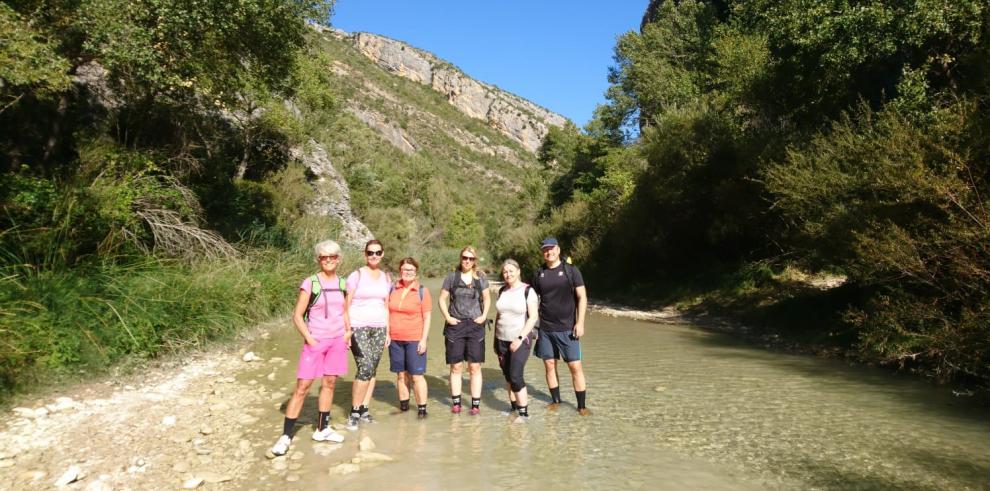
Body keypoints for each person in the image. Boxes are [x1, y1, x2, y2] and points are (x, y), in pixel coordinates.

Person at [270, 240, 348, 457]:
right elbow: (297, 315)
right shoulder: (310, 283)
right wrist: (310, 339)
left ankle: (322, 429)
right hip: (316, 342)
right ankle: (286, 436)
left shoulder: (343, 284)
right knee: (303, 387)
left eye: (333, 256)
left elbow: (345, 311)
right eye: (324, 257)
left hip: (337, 341)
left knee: (329, 383)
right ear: (318, 259)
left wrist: (347, 332)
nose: (329, 260)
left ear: (339, 259)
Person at [532, 237, 590, 416]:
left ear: (558, 249)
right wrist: (533, 326)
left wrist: (580, 322)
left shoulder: (571, 270)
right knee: (549, 365)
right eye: (544, 250)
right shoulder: (538, 273)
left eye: (550, 249)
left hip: (568, 328)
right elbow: (532, 300)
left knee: (575, 366)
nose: (548, 252)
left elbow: (582, 297)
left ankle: (581, 406)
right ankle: (555, 401)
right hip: (546, 329)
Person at [438, 246, 491, 415]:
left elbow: (487, 298)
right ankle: (456, 403)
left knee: (474, 367)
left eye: (471, 258)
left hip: (476, 325)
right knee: (456, 367)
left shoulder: (480, 278)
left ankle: (475, 405)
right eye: (464, 258)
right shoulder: (452, 277)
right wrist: (447, 317)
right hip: (455, 326)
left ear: (475, 260)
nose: (467, 261)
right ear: (460, 258)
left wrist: (483, 316)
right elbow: (441, 299)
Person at [344, 239, 391, 430]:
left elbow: (386, 305)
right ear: (365, 254)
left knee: (372, 369)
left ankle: (364, 409)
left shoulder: (386, 278)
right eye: (370, 252)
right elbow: (345, 305)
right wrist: (347, 330)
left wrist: (388, 330)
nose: (374, 256)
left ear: (382, 254)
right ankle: (354, 412)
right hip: (358, 326)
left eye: (377, 252)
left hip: (379, 327)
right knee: (364, 367)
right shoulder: (356, 276)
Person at [387, 257, 433, 419]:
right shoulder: (393, 289)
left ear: (416, 272)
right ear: (400, 270)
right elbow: (387, 312)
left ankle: (422, 410)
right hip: (395, 339)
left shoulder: (422, 291)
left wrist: (423, 340)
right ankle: (404, 408)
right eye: (405, 269)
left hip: (415, 338)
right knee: (401, 375)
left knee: (416, 376)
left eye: (411, 270)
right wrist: (387, 334)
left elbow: (427, 318)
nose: (407, 273)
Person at [494, 259, 539, 421]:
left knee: (516, 376)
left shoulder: (528, 291)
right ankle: (513, 408)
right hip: (501, 339)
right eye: (505, 271)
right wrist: (495, 339)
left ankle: (524, 413)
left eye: (511, 271)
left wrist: (519, 338)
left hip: (520, 340)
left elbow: (533, 317)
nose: (508, 274)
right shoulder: (502, 291)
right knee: (507, 377)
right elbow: (499, 315)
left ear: (518, 271)